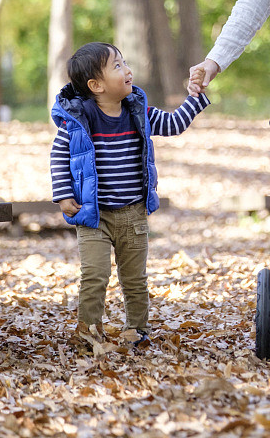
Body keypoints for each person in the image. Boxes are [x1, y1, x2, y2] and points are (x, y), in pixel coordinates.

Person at [50, 42, 210, 348]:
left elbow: (174, 124)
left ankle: (137, 328)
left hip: (132, 212)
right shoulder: (78, 119)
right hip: (93, 214)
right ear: (96, 85)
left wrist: (194, 97)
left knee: (135, 278)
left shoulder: (138, 111)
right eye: (117, 66)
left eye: (124, 63)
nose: (127, 70)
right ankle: (89, 330)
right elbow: (58, 156)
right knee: (94, 275)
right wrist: (63, 193)